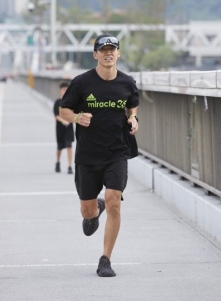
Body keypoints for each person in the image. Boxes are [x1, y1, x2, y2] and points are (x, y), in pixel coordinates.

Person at [60, 33, 139, 277]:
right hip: (88, 155)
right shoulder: (82, 83)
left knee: (115, 200)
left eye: (112, 49)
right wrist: (76, 118)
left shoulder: (127, 82)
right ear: (95, 54)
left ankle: (105, 259)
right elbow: (64, 109)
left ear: (118, 53)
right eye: (103, 49)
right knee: (87, 211)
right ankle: (96, 210)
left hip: (117, 151)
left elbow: (132, 104)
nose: (108, 53)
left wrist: (133, 117)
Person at [53, 81, 74, 174]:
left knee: (69, 146)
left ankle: (69, 166)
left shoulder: (72, 102)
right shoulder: (57, 102)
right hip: (60, 128)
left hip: (69, 128)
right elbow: (56, 115)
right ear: (60, 91)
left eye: (66, 90)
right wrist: (63, 121)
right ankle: (57, 162)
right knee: (60, 147)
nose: (65, 91)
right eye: (63, 90)